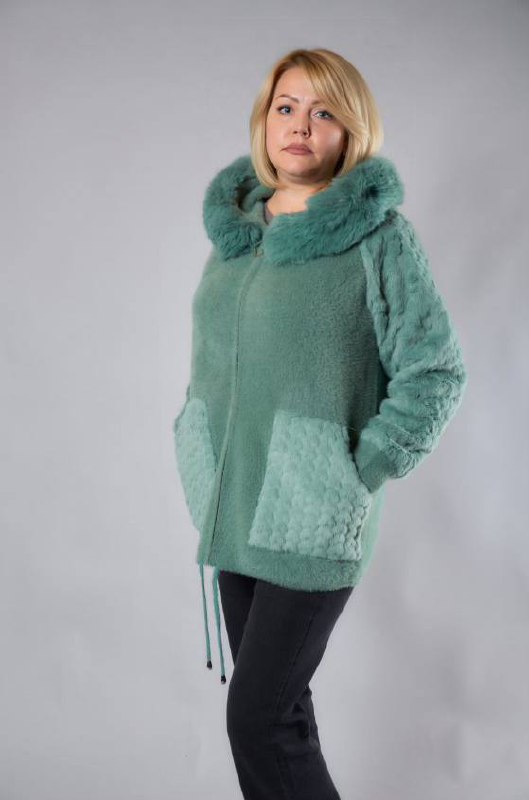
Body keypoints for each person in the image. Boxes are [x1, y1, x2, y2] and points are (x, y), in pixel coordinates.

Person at [172, 47, 468, 800]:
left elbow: (434, 370)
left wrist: (354, 470)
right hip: (233, 509)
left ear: (350, 132)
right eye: (286, 107)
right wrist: (195, 439)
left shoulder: (377, 238)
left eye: (323, 111)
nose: (300, 125)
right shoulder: (236, 236)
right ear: (264, 122)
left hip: (312, 519)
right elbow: (214, 364)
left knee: (259, 723)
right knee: (282, 717)